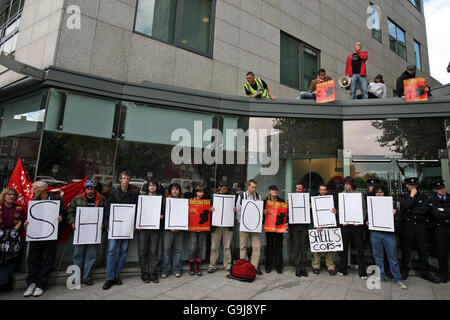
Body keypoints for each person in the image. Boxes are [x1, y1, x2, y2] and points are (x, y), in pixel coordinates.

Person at [23, 181, 64, 297]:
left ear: (42, 189)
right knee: (33, 259)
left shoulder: (56, 199)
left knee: (47, 260)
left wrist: (61, 218)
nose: (33, 190)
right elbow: (28, 217)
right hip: (36, 236)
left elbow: (63, 213)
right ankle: (31, 283)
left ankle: (41, 284)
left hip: (50, 236)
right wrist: (27, 224)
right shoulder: (33, 201)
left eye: (35, 188)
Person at [102, 171, 139, 290]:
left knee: (123, 251)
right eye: (124, 178)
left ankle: (117, 275)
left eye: (128, 178)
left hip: (127, 227)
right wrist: (107, 224)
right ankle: (109, 277)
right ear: (120, 180)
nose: (126, 180)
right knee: (112, 250)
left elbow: (136, 210)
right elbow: (108, 209)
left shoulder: (134, 194)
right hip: (114, 226)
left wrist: (134, 224)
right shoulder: (113, 192)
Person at [399, 177, 439, 283]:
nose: (413, 187)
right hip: (408, 226)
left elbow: (424, 210)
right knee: (406, 249)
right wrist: (411, 197)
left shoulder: (423, 196)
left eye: (414, 185)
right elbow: (405, 206)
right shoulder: (403, 196)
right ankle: (404, 270)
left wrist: (410, 210)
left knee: (422, 249)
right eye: (410, 185)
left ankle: (425, 272)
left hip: (420, 226)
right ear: (407, 186)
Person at [367, 185, 407, 290]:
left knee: (392, 257)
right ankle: (380, 276)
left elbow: (398, 216)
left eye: (381, 192)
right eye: (377, 192)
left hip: (388, 233)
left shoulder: (391, 203)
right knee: (377, 256)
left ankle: (398, 278)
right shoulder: (371, 203)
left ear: (385, 193)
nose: (379, 194)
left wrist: (395, 212)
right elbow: (367, 216)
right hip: (375, 232)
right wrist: (367, 221)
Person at [67, 180, 106, 286]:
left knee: (91, 255)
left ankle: (86, 277)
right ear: (85, 189)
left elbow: (106, 214)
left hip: (94, 232)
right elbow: (70, 212)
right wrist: (72, 222)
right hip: (80, 231)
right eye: (88, 189)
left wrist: (103, 224)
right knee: (77, 255)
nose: (90, 191)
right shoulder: (77, 199)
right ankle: (76, 277)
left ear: (94, 189)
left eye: (92, 188)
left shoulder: (102, 200)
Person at [338, 176, 367, 279]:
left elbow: (363, 209)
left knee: (359, 248)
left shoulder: (359, 195)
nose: (346, 185)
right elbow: (340, 209)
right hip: (345, 225)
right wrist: (342, 221)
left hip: (356, 225)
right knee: (344, 248)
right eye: (345, 184)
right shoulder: (341, 195)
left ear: (352, 184)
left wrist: (360, 221)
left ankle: (362, 272)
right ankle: (343, 269)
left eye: (348, 184)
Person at [137, 180, 164, 283]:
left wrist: (162, 216)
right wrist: (138, 223)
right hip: (143, 228)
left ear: (156, 187)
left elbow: (165, 212)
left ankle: (152, 272)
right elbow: (138, 211)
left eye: (154, 185)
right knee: (143, 251)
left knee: (154, 251)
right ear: (147, 187)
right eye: (150, 185)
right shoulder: (142, 198)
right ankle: (144, 273)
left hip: (155, 228)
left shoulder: (161, 199)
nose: (152, 187)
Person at [236, 179, 263, 275]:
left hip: (254, 226)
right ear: (248, 186)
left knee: (257, 247)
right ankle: (244, 266)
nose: (254, 189)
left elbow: (260, 210)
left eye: (255, 187)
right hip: (244, 226)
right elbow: (238, 210)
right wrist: (241, 222)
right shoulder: (242, 196)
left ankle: (254, 267)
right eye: (252, 187)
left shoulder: (258, 196)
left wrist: (257, 203)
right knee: (243, 246)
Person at [0, 188, 24, 292]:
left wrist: (13, 231)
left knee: (9, 260)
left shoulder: (18, 207)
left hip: (12, 237)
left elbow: (20, 221)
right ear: (4, 196)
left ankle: (3, 283)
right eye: (9, 194)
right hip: (0, 234)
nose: (11, 196)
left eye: (13, 194)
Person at [311, 184, 337, 276]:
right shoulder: (314, 200)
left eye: (324, 190)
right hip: (318, 226)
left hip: (328, 226)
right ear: (319, 190)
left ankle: (330, 266)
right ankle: (316, 265)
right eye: (321, 190)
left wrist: (335, 211)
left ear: (326, 191)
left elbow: (335, 212)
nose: (323, 191)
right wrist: (316, 225)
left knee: (328, 247)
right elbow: (312, 214)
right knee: (318, 247)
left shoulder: (331, 200)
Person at [208, 182, 234, 273]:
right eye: (223, 189)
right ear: (219, 188)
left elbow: (236, 208)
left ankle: (227, 265)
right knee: (214, 247)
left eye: (226, 189)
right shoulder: (213, 196)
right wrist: (210, 208)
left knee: (227, 246)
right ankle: (212, 265)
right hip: (216, 226)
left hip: (227, 226)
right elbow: (209, 207)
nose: (224, 191)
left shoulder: (232, 197)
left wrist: (234, 209)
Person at [161, 183, 185, 278]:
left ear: (179, 190)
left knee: (178, 250)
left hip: (180, 230)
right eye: (173, 189)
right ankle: (165, 270)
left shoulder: (183, 201)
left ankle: (177, 269)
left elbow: (185, 215)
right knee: (166, 250)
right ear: (170, 190)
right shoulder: (166, 201)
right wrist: (169, 226)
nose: (175, 191)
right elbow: (163, 214)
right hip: (168, 229)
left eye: (177, 189)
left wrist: (180, 226)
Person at [429, 180, 450, 283]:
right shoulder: (432, 200)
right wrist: (446, 211)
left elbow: (440, 213)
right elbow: (436, 215)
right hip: (440, 228)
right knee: (442, 252)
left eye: (442, 188)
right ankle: (444, 274)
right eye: (439, 189)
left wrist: (442, 210)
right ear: (435, 190)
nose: (442, 190)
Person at [290, 183, 310, 277]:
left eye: (300, 189)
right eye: (297, 188)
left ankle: (304, 268)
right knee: (296, 247)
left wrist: (310, 207)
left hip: (304, 225)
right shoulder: (291, 198)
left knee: (304, 247)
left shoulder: (307, 199)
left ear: (303, 190)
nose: (298, 190)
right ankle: (298, 268)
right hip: (294, 226)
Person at [263, 185, 285, 274]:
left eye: (276, 190)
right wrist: (263, 212)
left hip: (279, 227)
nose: (275, 191)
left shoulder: (281, 201)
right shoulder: (265, 201)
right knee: (270, 247)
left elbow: (284, 214)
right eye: (273, 190)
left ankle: (279, 267)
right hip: (269, 227)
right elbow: (261, 213)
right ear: (269, 191)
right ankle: (268, 266)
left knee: (279, 247)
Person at [188, 184, 208, 276]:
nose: (201, 193)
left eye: (202, 192)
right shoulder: (191, 201)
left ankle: (197, 267)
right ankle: (191, 266)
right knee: (193, 247)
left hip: (202, 228)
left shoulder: (206, 202)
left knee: (200, 247)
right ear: (196, 192)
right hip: (193, 228)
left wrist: (211, 209)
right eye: (199, 192)